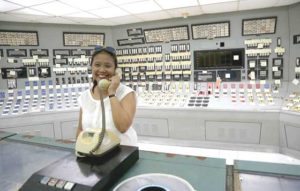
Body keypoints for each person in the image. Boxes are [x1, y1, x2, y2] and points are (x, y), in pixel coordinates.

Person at [76, 45, 137, 146]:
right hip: (95, 154)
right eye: (97, 65)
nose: (102, 70)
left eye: (107, 66)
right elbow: (81, 129)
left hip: (122, 153)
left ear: (116, 70)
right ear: (92, 67)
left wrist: (112, 92)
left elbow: (122, 127)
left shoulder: (127, 93)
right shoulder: (84, 97)